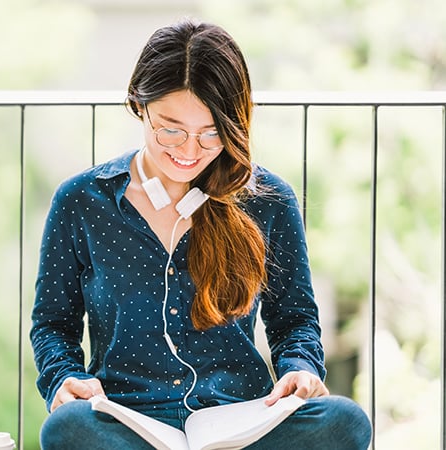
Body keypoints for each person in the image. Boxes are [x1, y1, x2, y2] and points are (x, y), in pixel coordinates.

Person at [30, 19, 372, 449]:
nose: (188, 151)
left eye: (211, 134)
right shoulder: (82, 201)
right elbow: (52, 325)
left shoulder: (267, 201)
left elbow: (295, 320)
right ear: (139, 105)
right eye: (170, 129)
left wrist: (300, 368)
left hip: (241, 421)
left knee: (346, 422)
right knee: (67, 428)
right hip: (127, 422)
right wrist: (64, 378)